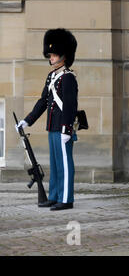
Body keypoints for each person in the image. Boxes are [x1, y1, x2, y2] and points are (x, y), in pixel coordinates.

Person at [16, 28, 78, 211]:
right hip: (52, 126)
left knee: (65, 164)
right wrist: (27, 120)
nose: (50, 57)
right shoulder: (52, 76)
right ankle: (55, 196)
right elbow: (43, 102)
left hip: (63, 128)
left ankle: (67, 198)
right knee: (56, 164)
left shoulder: (68, 78)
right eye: (50, 54)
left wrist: (67, 129)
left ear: (63, 56)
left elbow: (70, 106)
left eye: (54, 54)